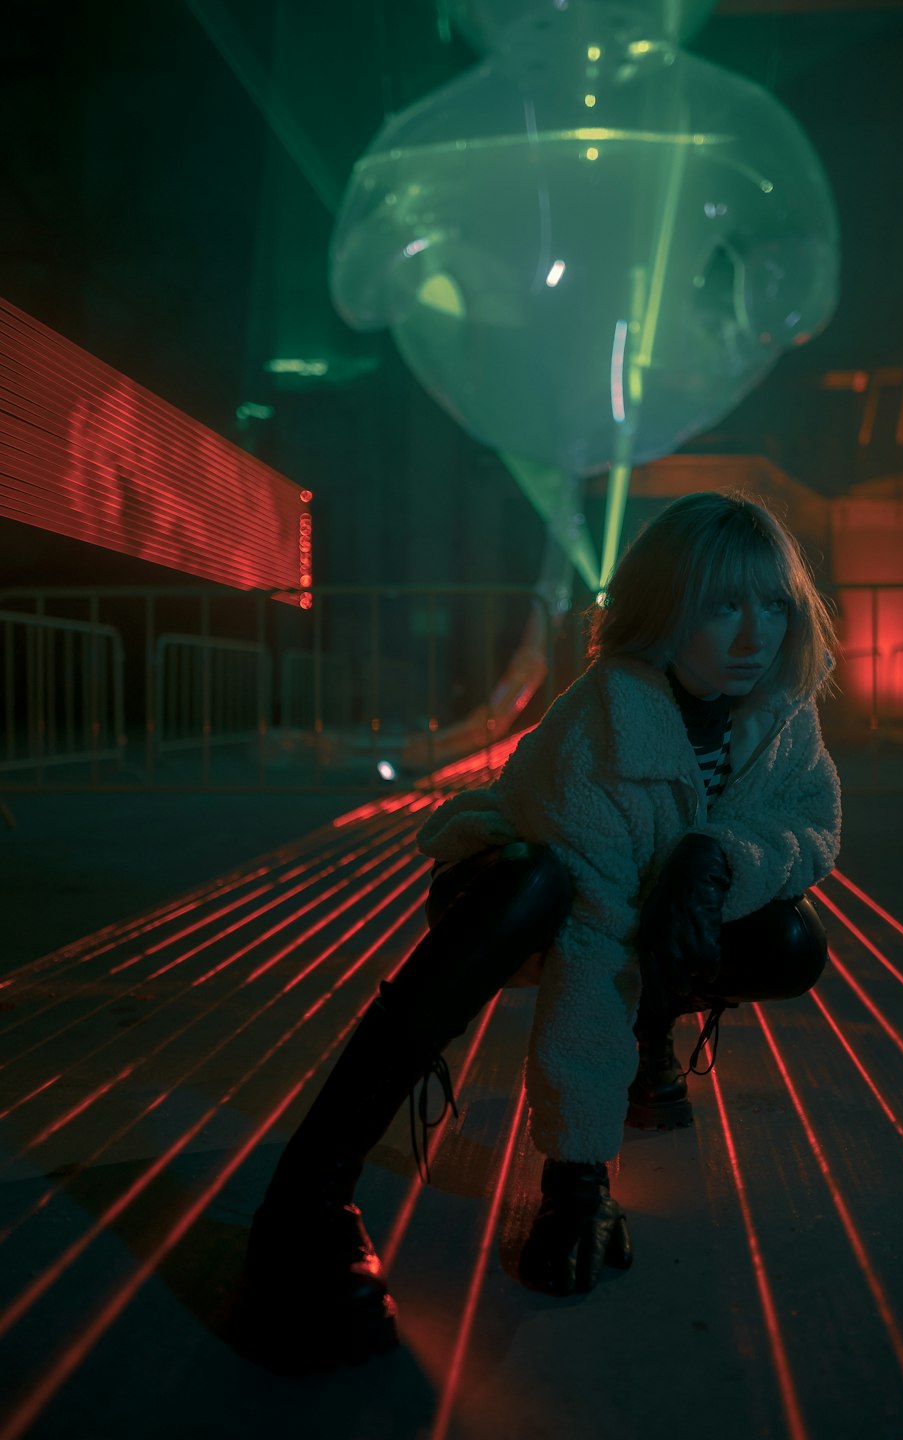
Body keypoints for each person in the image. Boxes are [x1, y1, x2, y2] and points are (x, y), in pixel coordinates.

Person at [242, 491, 841, 1369]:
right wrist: (577, 1182)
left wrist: (716, 857)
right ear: (665, 610)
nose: (758, 635)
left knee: (791, 943)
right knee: (542, 885)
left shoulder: (783, 715)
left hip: (645, 899)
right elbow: (592, 957)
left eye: (774, 604)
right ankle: (306, 1196)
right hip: (510, 895)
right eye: (724, 604)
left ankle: (657, 1039)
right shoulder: (599, 731)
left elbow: (812, 832)